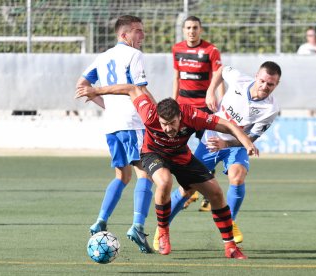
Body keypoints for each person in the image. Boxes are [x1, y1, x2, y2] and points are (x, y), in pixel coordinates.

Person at [75, 83, 260, 259]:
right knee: (164, 181)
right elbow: (131, 89)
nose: (168, 128)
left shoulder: (192, 115)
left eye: (172, 123)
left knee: (216, 192)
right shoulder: (149, 113)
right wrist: (96, 91)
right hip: (153, 154)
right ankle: (163, 231)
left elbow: (226, 124)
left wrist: (246, 142)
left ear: (180, 116)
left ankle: (230, 246)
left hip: (181, 156)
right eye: (164, 124)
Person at [165, 61, 282, 246]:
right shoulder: (239, 80)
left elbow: (249, 138)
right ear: (256, 76)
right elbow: (220, 69)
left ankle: (230, 221)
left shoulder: (271, 109)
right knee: (187, 188)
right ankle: (162, 228)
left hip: (235, 144)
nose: (265, 87)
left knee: (237, 177)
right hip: (211, 138)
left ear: (276, 85)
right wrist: (211, 91)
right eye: (262, 81)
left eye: (271, 84)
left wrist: (225, 143)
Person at [75, 15, 156, 254]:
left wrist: (105, 104)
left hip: (112, 126)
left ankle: (100, 220)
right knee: (146, 175)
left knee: (122, 176)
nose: (142, 35)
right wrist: (158, 115)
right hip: (133, 122)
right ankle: (138, 226)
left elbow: (81, 84)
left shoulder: (102, 57)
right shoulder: (134, 55)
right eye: (137, 31)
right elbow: (139, 89)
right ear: (124, 35)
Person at [172, 15, 225, 212]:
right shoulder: (177, 49)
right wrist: (173, 102)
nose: (191, 31)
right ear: (184, 30)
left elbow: (220, 77)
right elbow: (176, 78)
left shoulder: (211, 50)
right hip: (184, 109)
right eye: (188, 28)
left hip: (204, 109)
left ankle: (209, 193)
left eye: (195, 27)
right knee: (178, 151)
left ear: (200, 30)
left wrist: (221, 105)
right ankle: (189, 189)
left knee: (210, 150)